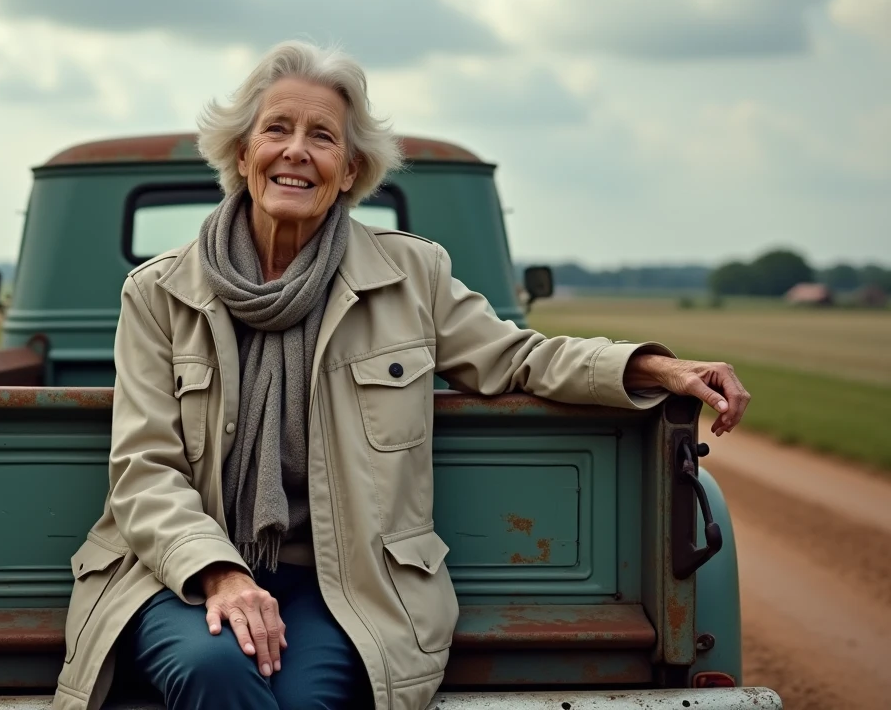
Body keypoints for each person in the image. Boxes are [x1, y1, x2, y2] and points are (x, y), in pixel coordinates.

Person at [52, 40, 751, 710]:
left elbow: (517, 356)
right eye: (277, 130)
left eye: (323, 137)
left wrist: (653, 365)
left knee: (304, 699)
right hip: (182, 574)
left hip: (349, 584)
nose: (296, 151)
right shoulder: (159, 291)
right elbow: (144, 469)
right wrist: (221, 572)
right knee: (212, 667)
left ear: (351, 170)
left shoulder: (411, 275)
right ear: (243, 152)